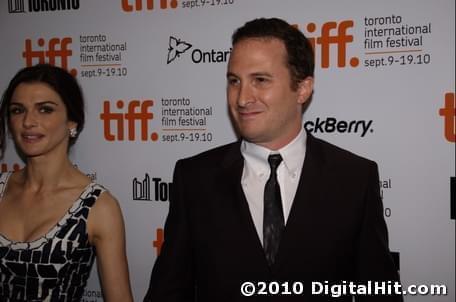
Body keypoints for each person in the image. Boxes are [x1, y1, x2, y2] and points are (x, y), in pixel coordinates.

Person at [144, 18, 402, 301]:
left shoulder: (354, 178)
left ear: (302, 89)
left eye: (260, 80)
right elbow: (167, 293)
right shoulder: (194, 178)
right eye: (234, 81)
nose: (242, 98)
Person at [0, 64, 133, 302]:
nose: (28, 121)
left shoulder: (98, 207)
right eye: (18, 110)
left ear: (72, 122)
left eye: (45, 110)